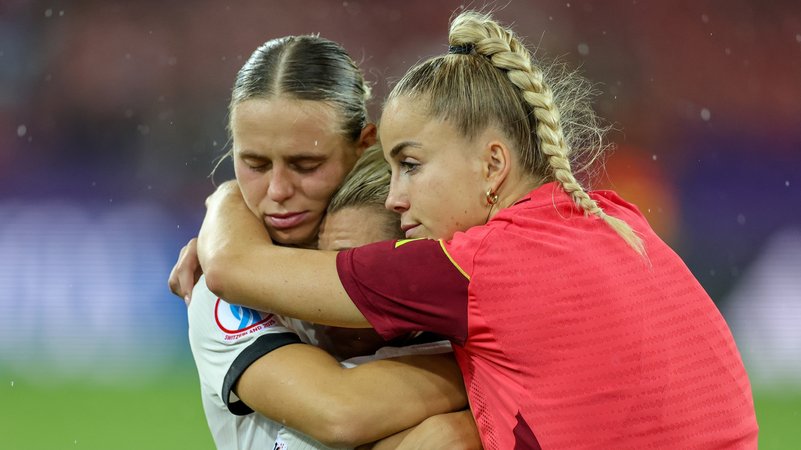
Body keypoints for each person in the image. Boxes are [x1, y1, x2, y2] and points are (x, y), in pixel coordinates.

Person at [195, 10, 759, 449]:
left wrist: (224, 199)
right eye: (254, 165)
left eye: (412, 165)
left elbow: (232, 267)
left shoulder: (471, 265)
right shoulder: (611, 218)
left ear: (493, 164)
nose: (397, 195)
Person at [174, 36, 473, 449]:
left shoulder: (430, 243)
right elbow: (340, 414)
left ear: (365, 144)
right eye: (254, 163)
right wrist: (494, 364)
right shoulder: (223, 288)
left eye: (306, 164)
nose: (277, 190)